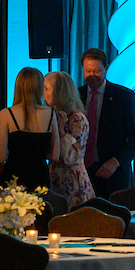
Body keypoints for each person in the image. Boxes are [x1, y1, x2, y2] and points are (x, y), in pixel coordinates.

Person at [77, 48, 135, 200]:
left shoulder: (124, 96)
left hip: (114, 177)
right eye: (88, 71)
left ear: (106, 68)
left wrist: (116, 161)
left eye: (96, 71)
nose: (92, 76)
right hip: (83, 176)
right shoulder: (76, 95)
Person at [0, 67, 56, 193]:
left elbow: (1, 156)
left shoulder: (6, 114)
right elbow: (55, 155)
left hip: (14, 176)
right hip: (40, 175)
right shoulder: (50, 113)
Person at [46, 71, 95, 206]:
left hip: (72, 181)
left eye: (46, 89)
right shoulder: (49, 115)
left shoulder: (77, 119)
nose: (42, 92)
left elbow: (70, 157)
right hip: (54, 178)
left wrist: (61, 131)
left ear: (58, 92)